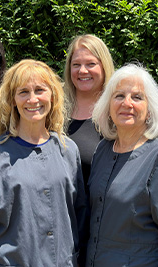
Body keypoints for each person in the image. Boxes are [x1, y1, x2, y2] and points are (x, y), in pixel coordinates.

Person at [0, 59, 87, 267]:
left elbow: (79, 218)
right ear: (12, 100)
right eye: (23, 92)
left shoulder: (68, 151)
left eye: (40, 90)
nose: (33, 99)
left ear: (53, 96)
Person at [86, 63, 158, 267]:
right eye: (119, 96)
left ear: (149, 109)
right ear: (108, 105)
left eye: (137, 97)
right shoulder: (103, 150)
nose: (126, 103)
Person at [63, 34, 115, 183]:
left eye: (91, 64)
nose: (83, 71)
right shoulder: (55, 110)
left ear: (104, 66)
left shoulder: (117, 111)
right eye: (76, 65)